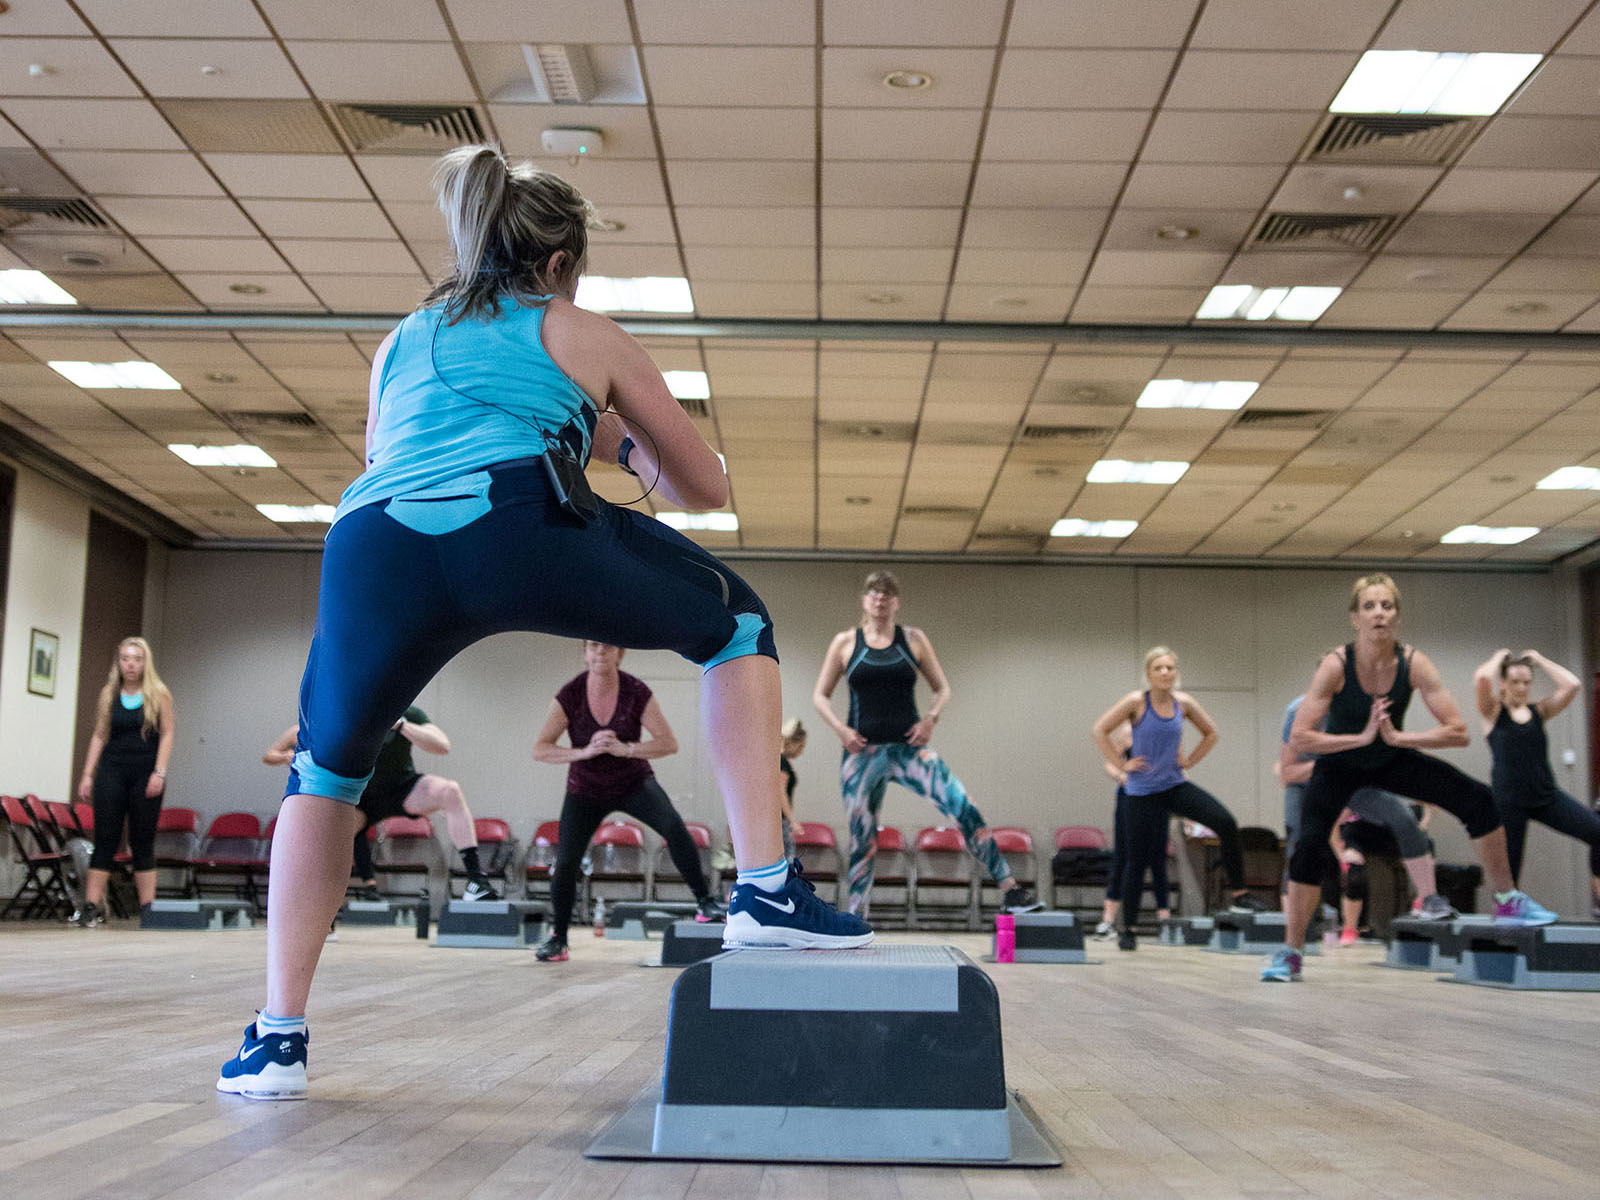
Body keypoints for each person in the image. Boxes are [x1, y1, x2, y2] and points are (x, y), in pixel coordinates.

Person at [218, 145, 869, 1103]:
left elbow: (395, 453)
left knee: (327, 770)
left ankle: (276, 1039)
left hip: (373, 542)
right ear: (562, 264)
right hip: (511, 519)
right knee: (736, 626)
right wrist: (612, 430)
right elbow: (704, 487)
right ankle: (766, 890)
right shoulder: (578, 329)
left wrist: (571, 419)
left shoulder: (400, 338)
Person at [1266, 574, 1556, 983]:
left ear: (1397, 617)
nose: (1379, 613)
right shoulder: (1336, 665)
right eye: (1369, 606)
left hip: (1389, 756)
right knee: (1308, 848)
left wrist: (1400, 737)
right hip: (1340, 764)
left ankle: (1507, 899)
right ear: (1355, 618)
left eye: (1387, 606)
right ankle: (1290, 952)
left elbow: (1458, 731)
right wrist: (1360, 737)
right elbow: (1300, 735)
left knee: (1478, 799)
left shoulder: (1414, 663)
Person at [811, 570, 1039, 919]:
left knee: (963, 805)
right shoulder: (845, 642)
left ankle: (1010, 889)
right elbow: (820, 696)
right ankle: (857, 919)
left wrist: (931, 718)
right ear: (864, 600)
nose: (880, 599)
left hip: (909, 750)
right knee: (862, 837)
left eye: (888, 594)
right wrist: (841, 730)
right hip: (862, 753)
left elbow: (942, 688)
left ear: (896, 602)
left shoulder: (913, 639)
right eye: (874, 592)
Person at [531, 641, 725, 962]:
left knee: (674, 828)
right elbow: (541, 748)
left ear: (620, 654)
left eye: (608, 647)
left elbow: (669, 743)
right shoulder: (570, 694)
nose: (600, 653)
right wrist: (584, 752)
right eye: (593, 647)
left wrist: (628, 749)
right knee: (566, 860)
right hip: (585, 788)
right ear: (585, 652)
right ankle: (559, 939)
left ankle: (704, 902)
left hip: (633, 782)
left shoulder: (636, 692)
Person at [1093, 646, 1267, 951]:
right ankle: (1128, 929)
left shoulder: (1183, 704)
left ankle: (1240, 895)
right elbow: (1100, 730)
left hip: (1173, 786)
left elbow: (1211, 733)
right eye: (1158, 668)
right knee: (1136, 860)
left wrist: (1189, 762)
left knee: (1226, 822)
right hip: (1142, 792)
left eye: (1170, 668)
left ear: (1176, 673)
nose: (1165, 673)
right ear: (1149, 674)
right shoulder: (1136, 702)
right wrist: (1122, 766)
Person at [263, 708, 501, 903]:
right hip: (359, 797)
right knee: (330, 833)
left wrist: (401, 725)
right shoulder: (339, 714)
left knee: (450, 791)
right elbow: (272, 752)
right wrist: (287, 757)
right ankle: (320, 903)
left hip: (402, 789)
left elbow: (442, 745)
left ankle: (475, 881)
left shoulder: (408, 713)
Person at [1279, 693, 1454, 921]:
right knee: (1299, 843)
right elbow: (1288, 773)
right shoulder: (1298, 711)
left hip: (1351, 778)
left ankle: (1429, 898)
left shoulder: (1365, 708)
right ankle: (1294, 927)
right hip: (1307, 781)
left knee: (1403, 817)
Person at [1474, 649, 1600, 895]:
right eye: (1515, 682)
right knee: (1508, 882)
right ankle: (1505, 923)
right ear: (1503, 683)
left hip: (1546, 798)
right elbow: (1481, 679)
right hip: (1508, 804)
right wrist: (1499, 657)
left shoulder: (1539, 711)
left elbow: (1572, 685)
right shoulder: (1492, 713)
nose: (1521, 687)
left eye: (1526, 682)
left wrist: (1540, 659)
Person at [70, 637, 175, 926]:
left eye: (137, 659)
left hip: (145, 773)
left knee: (142, 839)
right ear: (119, 662)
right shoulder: (109, 694)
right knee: (105, 837)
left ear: (145, 662)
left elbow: (167, 733)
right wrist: (88, 773)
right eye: (126, 658)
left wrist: (160, 771)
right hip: (111, 771)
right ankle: (91, 906)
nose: (131, 664)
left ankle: (148, 909)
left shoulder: (158, 693)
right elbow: (100, 735)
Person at [1093, 722, 1171, 941]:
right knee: (1124, 856)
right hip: (1129, 796)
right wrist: (1123, 776)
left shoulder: (1165, 730)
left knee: (1157, 856)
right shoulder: (1127, 731)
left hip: (1157, 795)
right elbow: (1110, 764)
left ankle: (1164, 919)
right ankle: (1108, 922)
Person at [779, 717, 807, 862]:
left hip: (779, 820)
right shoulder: (782, 762)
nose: (801, 752)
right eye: (801, 747)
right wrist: (791, 820)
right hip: (780, 820)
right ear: (793, 742)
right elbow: (781, 793)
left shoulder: (780, 761)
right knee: (787, 860)